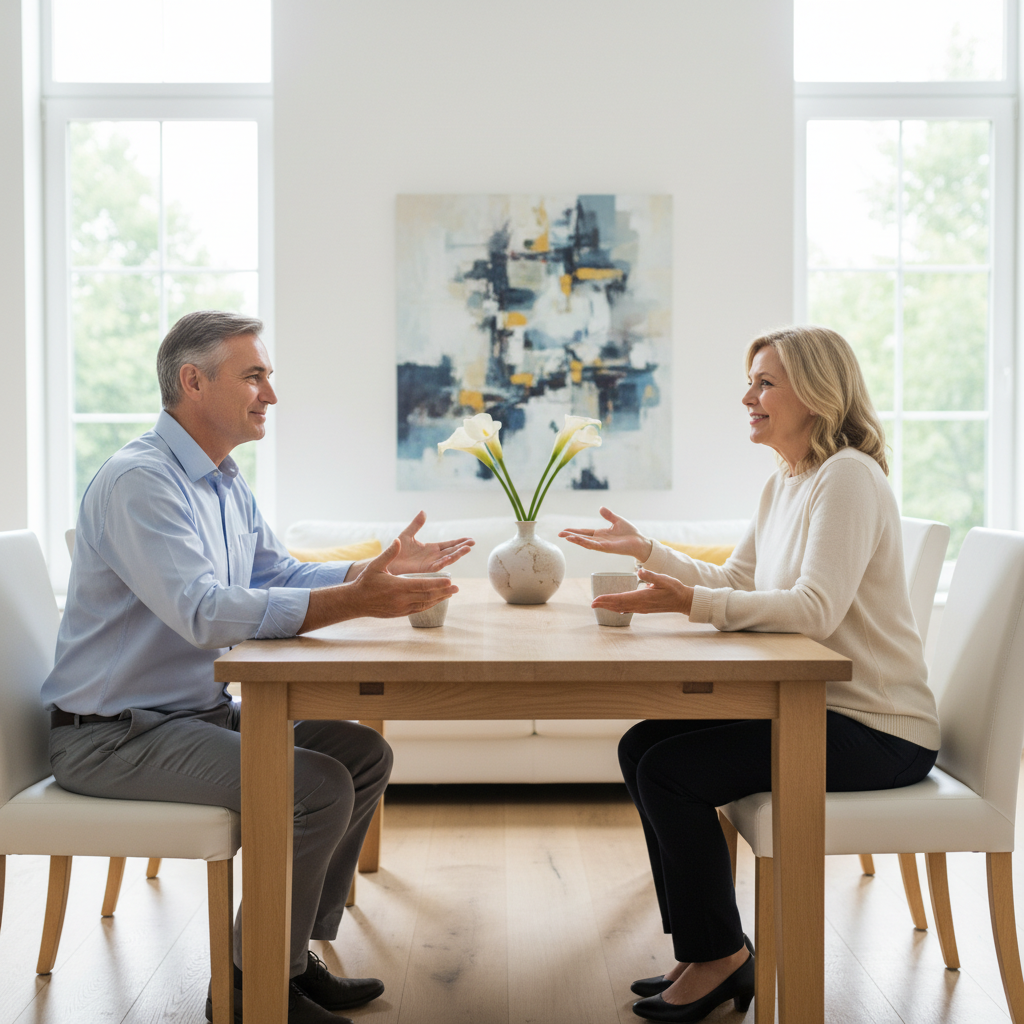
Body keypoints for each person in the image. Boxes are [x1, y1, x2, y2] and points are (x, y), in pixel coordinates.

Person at [42, 310, 473, 1024]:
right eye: (254, 376)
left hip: (185, 716)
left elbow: (276, 571)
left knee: (362, 753)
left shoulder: (222, 479)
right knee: (316, 786)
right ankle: (252, 986)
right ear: (192, 382)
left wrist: (369, 574)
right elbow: (206, 612)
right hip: (111, 736)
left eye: (267, 377)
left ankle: (291, 960)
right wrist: (357, 603)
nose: (270, 394)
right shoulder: (140, 483)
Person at [559, 325, 940, 1023]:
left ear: (818, 395)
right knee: (643, 746)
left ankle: (723, 959)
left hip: (877, 728)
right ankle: (705, 949)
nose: (748, 397)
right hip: (824, 709)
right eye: (752, 381)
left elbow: (815, 611)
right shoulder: (787, 482)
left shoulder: (848, 476)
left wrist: (695, 603)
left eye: (765, 383)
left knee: (670, 771)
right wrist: (650, 550)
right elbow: (736, 578)